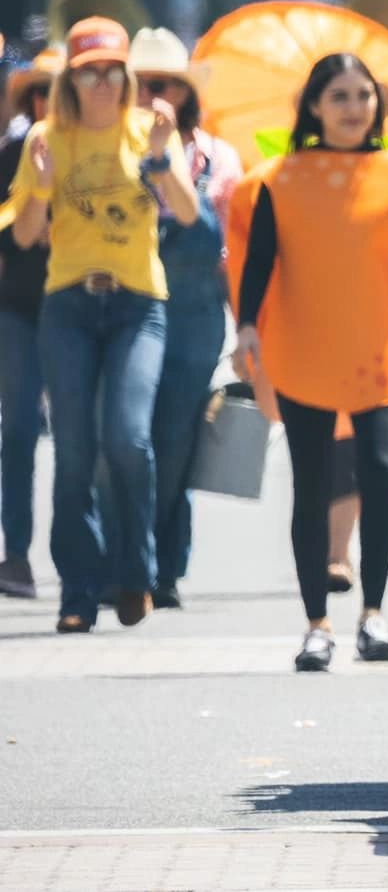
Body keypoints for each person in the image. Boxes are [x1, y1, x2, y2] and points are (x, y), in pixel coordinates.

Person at [230, 53, 388, 671]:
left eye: (363, 95)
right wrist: (247, 326)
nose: (354, 108)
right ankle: (316, 625)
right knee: (310, 483)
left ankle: (373, 616)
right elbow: (260, 261)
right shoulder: (277, 181)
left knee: (378, 472)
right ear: (313, 106)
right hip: (302, 348)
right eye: (339, 96)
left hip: (380, 351)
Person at [2, 18, 200, 633]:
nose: (104, 83)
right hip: (68, 305)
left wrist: (161, 158)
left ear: (128, 76)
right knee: (74, 451)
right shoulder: (47, 137)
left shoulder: (150, 130)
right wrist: (40, 184)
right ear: (71, 82)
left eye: (114, 71)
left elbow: (188, 212)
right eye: (90, 74)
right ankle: (78, 592)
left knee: (128, 438)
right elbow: (26, 235)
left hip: (138, 304)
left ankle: (135, 571)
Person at [127, 30, 242, 609]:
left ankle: (163, 567)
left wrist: (248, 331)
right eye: (140, 83)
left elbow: (233, 251)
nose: (152, 95)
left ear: (186, 92)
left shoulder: (219, 158)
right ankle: (131, 560)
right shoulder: (108, 150)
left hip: (195, 316)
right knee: (125, 437)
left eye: (164, 84)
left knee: (174, 440)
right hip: (126, 306)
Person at [0, 49, 61, 599]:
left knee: (84, 436)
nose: (49, 101)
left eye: (59, 90)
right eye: (41, 92)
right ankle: (16, 554)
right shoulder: (11, 154)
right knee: (18, 429)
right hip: (18, 307)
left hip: (80, 308)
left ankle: (85, 560)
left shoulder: (103, 151)